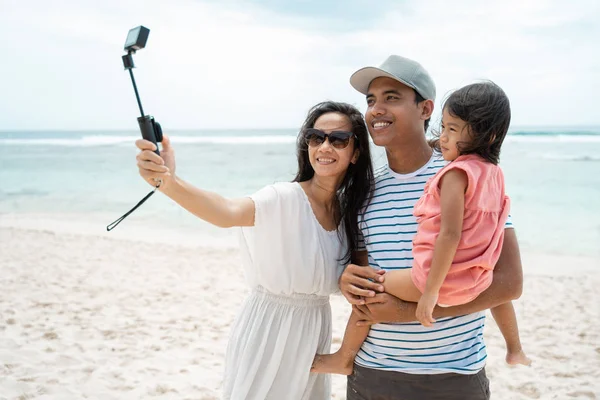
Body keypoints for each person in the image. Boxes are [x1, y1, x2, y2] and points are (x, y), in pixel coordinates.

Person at [134, 101, 374, 400]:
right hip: (268, 331)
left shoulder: (349, 216)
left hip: (313, 335)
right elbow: (226, 211)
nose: (325, 147)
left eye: (338, 140)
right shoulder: (283, 197)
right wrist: (167, 182)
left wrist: (342, 353)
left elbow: (361, 287)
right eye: (316, 137)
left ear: (356, 153)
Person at [326, 55, 523, 399]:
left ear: (425, 108)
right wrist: (347, 278)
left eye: (392, 97)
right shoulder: (361, 192)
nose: (376, 110)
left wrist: (407, 313)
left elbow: (508, 282)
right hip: (372, 374)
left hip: (453, 375)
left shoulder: (467, 176)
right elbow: (362, 273)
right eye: (371, 100)